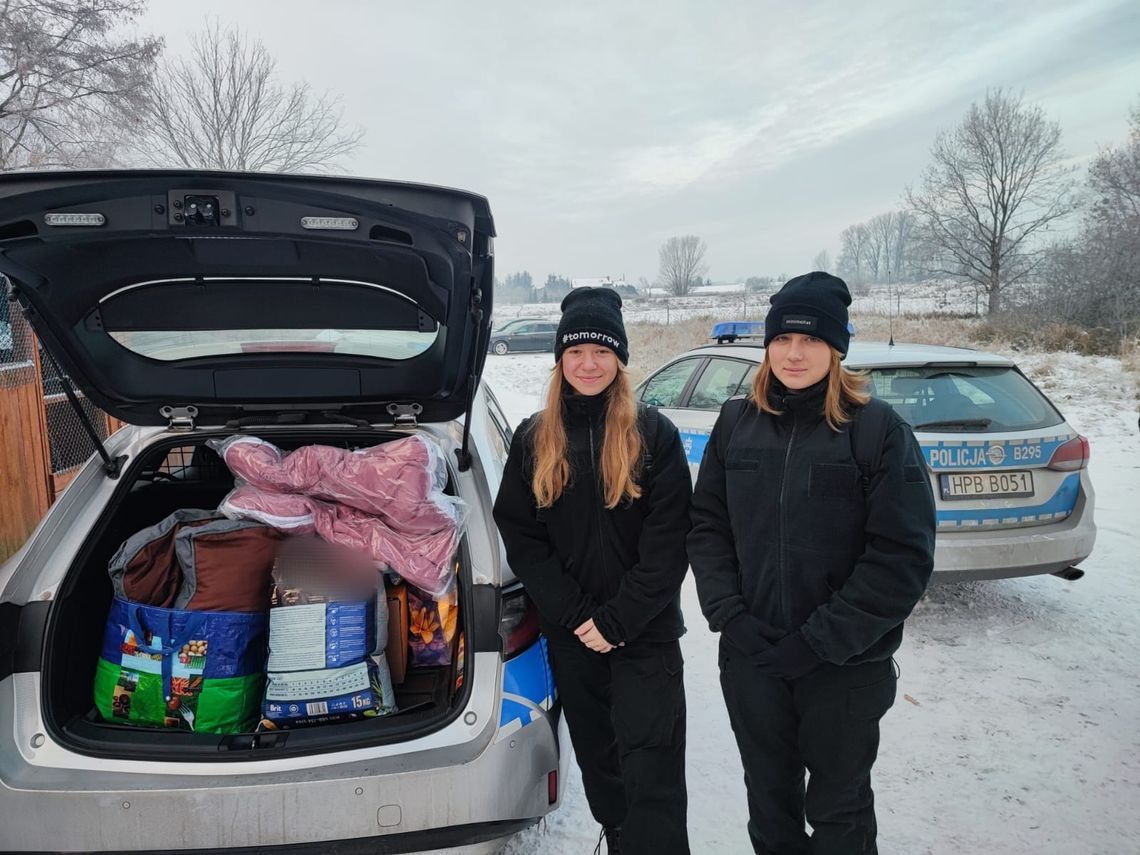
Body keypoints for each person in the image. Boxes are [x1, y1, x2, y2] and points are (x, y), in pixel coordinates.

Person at [688, 271, 936, 855]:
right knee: (769, 807)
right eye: (781, 340)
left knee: (839, 811)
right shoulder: (736, 422)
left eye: (811, 341)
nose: (794, 354)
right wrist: (732, 618)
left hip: (845, 667)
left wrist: (820, 640)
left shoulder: (876, 431)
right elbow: (708, 528)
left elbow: (901, 556)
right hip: (753, 658)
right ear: (767, 346)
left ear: (836, 349)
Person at [493, 287, 692, 855]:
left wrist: (619, 620)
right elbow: (522, 535)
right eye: (576, 351)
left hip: (645, 635)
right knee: (602, 762)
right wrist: (578, 615)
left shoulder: (654, 435)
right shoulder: (535, 437)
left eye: (601, 352)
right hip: (574, 636)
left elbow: (669, 543)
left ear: (619, 360)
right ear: (560, 360)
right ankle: (621, 839)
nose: (588, 363)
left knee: (651, 772)